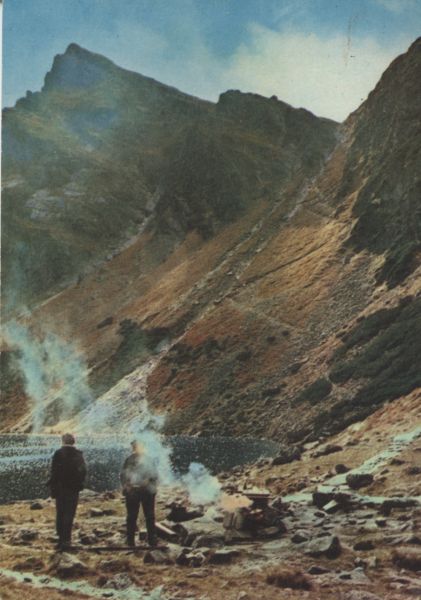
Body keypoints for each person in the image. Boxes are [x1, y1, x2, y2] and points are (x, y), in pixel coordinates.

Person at [48, 433, 87, 551]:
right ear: (73, 442)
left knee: (60, 513)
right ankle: (67, 540)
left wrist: (53, 488)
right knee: (69, 514)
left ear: (63, 441)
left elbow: (54, 472)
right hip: (73, 489)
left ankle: (60, 540)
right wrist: (79, 484)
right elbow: (83, 471)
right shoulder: (78, 454)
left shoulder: (58, 453)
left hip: (60, 489)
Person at [120, 440, 158, 548]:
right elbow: (123, 475)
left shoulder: (148, 460)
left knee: (149, 516)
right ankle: (130, 541)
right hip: (133, 491)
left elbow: (155, 475)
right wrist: (126, 485)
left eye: (137, 446)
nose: (135, 448)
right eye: (134, 447)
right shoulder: (129, 460)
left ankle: (152, 540)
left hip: (147, 491)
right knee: (131, 517)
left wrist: (148, 480)